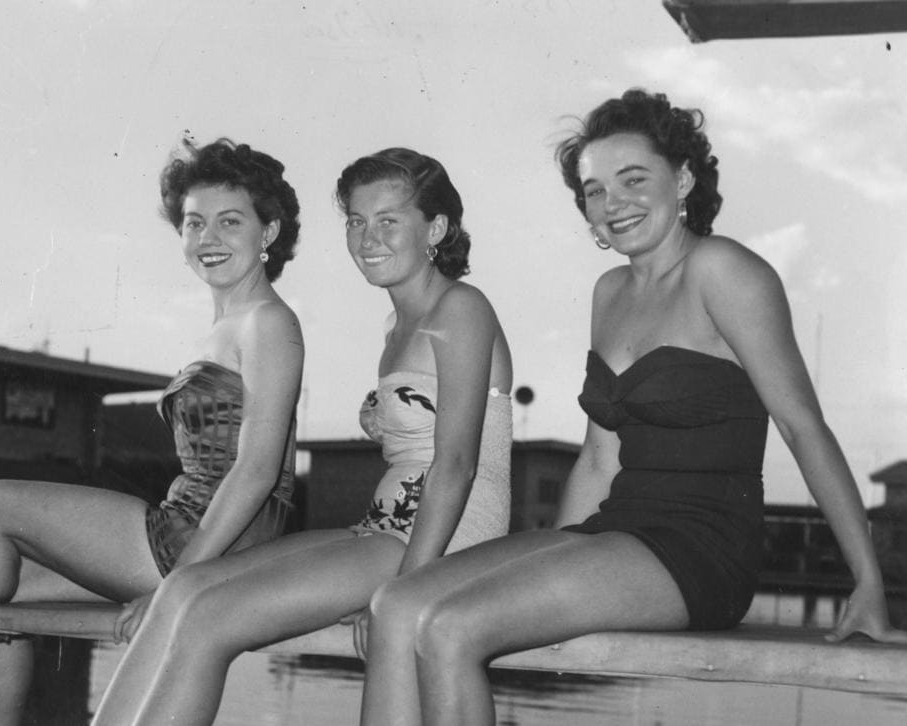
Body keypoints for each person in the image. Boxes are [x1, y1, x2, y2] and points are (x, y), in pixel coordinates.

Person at [358, 89, 907, 726]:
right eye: (594, 190)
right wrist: (552, 560)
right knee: (398, 603)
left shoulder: (724, 270)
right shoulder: (610, 290)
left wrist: (866, 579)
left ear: (682, 179)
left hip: (700, 546)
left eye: (632, 179)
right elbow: (598, 456)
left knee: (452, 627)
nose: (612, 203)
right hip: (613, 534)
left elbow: (801, 426)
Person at [87, 147, 513, 726]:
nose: (368, 238)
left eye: (389, 220)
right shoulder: (397, 326)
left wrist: (406, 592)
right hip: (385, 531)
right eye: (357, 222)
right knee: (187, 590)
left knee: (210, 616)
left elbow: (458, 463)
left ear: (435, 227)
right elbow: (429, 414)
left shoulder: (461, 307)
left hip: (443, 540)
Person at [0, 137, 304, 726]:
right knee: (2, 590)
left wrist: (177, 587)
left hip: (213, 538)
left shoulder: (268, 321)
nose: (208, 238)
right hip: (203, 529)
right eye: (194, 223)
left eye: (230, 222)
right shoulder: (231, 321)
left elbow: (255, 472)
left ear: (269, 232)